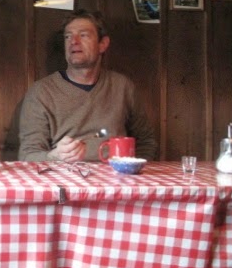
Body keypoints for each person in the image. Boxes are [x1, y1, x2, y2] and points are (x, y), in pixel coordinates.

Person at [18, 9, 157, 162]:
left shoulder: (122, 86)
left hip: (116, 175)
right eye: (68, 36)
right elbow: (27, 155)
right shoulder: (41, 92)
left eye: (83, 35)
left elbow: (146, 142)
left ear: (103, 44)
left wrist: (133, 169)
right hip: (64, 174)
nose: (73, 41)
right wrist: (54, 156)